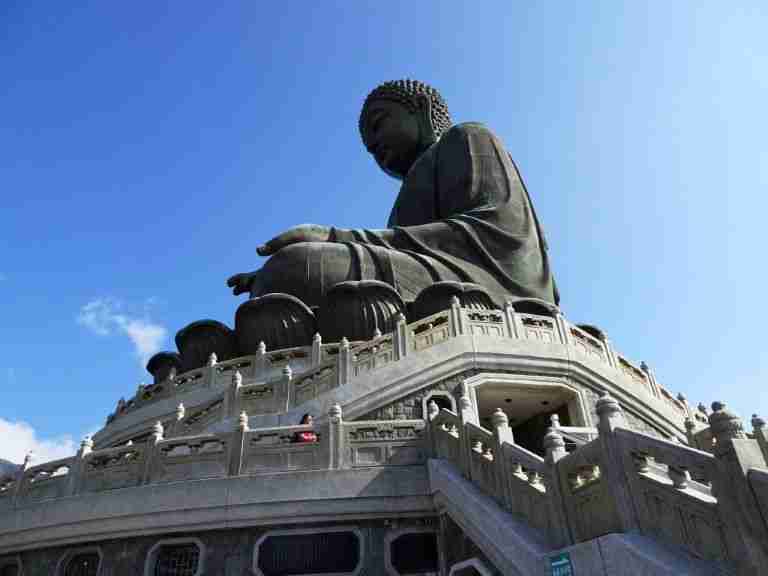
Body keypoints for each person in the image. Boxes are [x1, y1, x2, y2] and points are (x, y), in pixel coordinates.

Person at [227, 79, 558, 307]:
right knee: (289, 270)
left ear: (420, 107)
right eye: (367, 147)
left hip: (492, 286)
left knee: (296, 266)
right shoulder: (407, 195)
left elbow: (498, 237)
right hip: (430, 281)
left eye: (378, 123)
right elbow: (406, 256)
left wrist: (335, 237)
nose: (373, 144)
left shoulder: (468, 137)